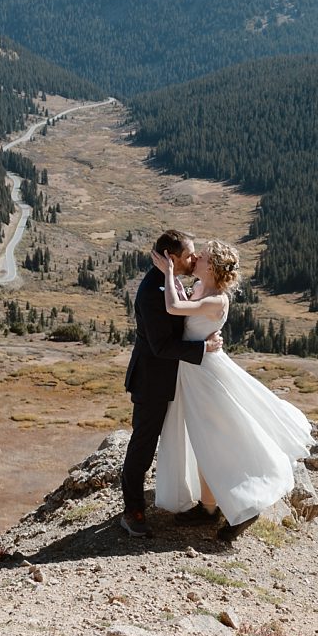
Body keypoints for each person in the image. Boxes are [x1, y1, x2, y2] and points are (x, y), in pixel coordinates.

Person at [153, 239, 313, 541]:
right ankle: (209, 506)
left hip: (206, 376)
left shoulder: (217, 300)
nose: (196, 256)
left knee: (220, 440)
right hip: (194, 371)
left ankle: (248, 504)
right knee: (203, 442)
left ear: (212, 267)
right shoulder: (201, 289)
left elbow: (174, 307)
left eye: (203, 256)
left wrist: (169, 271)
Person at [119, 229, 223, 539]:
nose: (194, 259)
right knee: (143, 445)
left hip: (178, 379)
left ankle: (203, 500)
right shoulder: (152, 292)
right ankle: (133, 512)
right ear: (170, 258)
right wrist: (203, 348)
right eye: (189, 255)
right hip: (152, 380)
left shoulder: (171, 279)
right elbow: (161, 347)